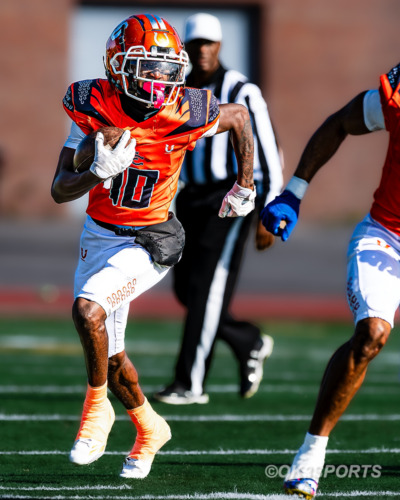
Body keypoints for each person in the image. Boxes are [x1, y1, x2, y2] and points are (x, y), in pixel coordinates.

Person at [51, 13, 256, 480]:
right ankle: (149, 427)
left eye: (167, 69)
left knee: (88, 311)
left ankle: (95, 410)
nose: (160, 80)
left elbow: (240, 117)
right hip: (99, 236)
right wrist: (94, 172)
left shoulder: (185, 109)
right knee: (112, 353)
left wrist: (244, 185)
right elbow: (60, 189)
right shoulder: (91, 105)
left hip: (153, 239)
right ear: (118, 68)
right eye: (148, 67)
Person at [261, 63, 399, 498]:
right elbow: (340, 121)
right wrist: (293, 192)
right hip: (387, 235)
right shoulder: (395, 104)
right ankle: (311, 454)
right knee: (371, 333)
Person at [153, 13, 283, 405]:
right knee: (185, 288)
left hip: (231, 199)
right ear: (186, 50)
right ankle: (248, 339)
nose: (203, 51)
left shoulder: (240, 88)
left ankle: (189, 383)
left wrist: (269, 208)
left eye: (209, 44)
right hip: (191, 199)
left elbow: (268, 150)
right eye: (195, 45)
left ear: (220, 46)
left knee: (208, 291)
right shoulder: (184, 88)